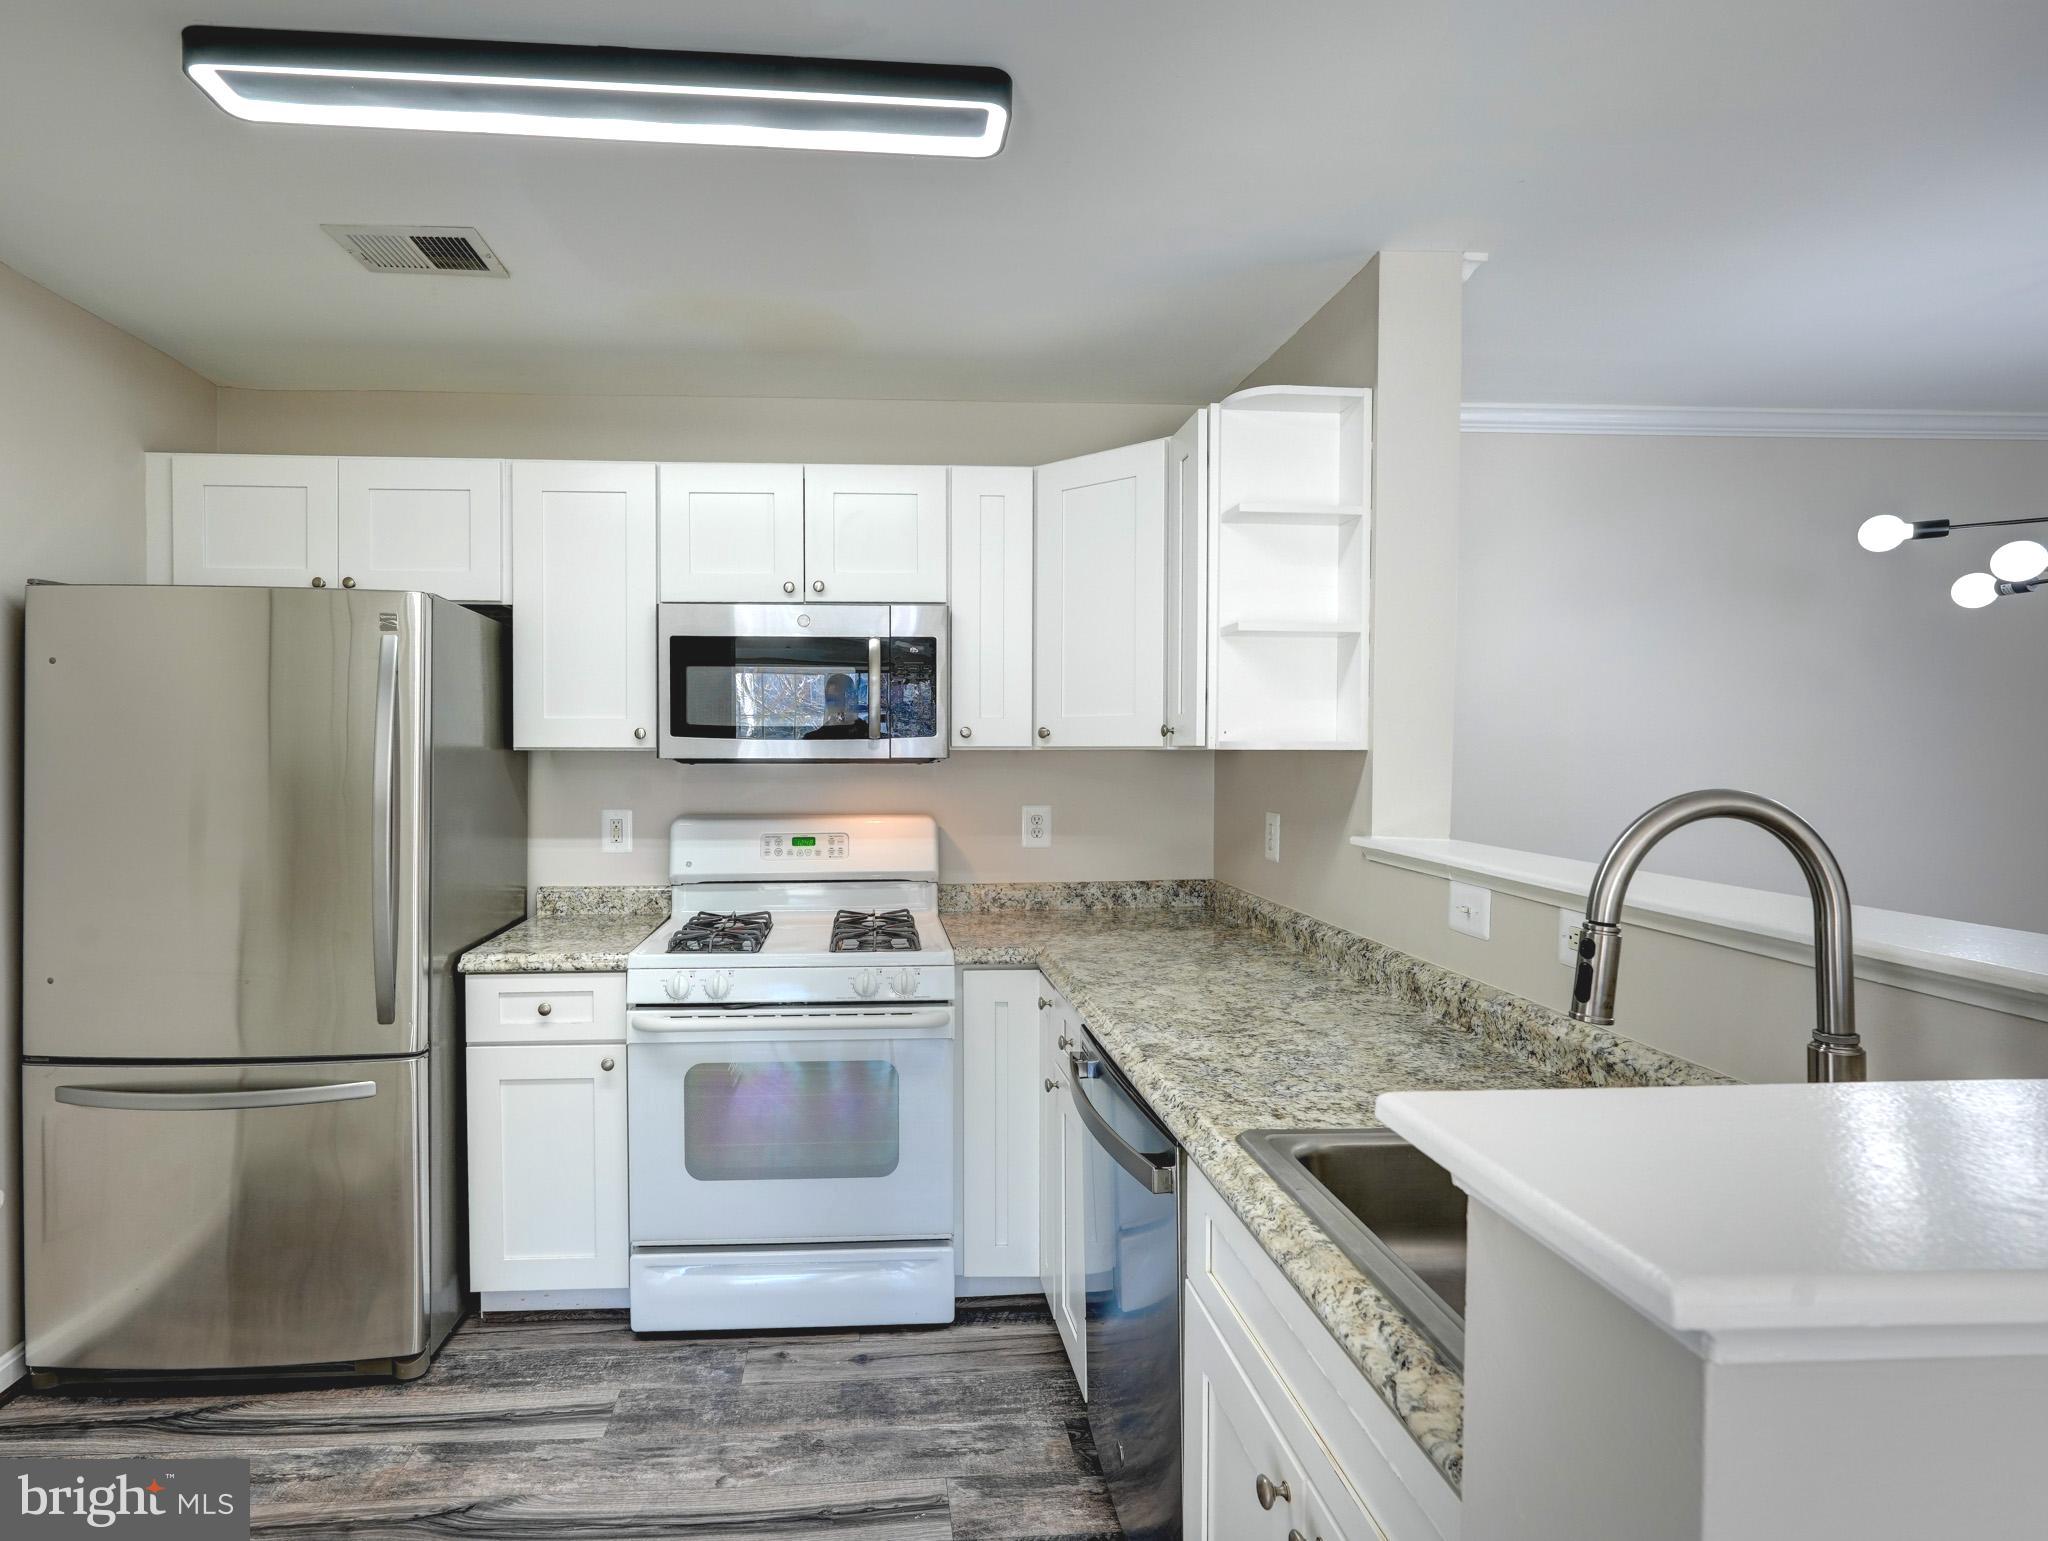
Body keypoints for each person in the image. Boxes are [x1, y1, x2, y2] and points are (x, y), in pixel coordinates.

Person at [802, 671, 869, 739]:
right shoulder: (813, 739)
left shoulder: (868, 733)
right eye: (831, 699)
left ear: (854, 698)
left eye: (843, 697)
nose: (836, 705)